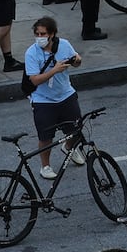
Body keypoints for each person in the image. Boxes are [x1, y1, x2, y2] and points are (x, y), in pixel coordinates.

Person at [24, 16, 84, 180]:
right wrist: (54, 70)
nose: (39, 38)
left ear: (52, 34)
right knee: (46, 138)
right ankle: (45, 166)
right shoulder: (31, 53)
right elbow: (35, 79)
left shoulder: (64, 45)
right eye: (37, 34)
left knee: (76, 131)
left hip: (66, 94)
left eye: (43, 34)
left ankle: (68, 147)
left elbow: (76, 61)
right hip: (43, 100)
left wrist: (77, 61)